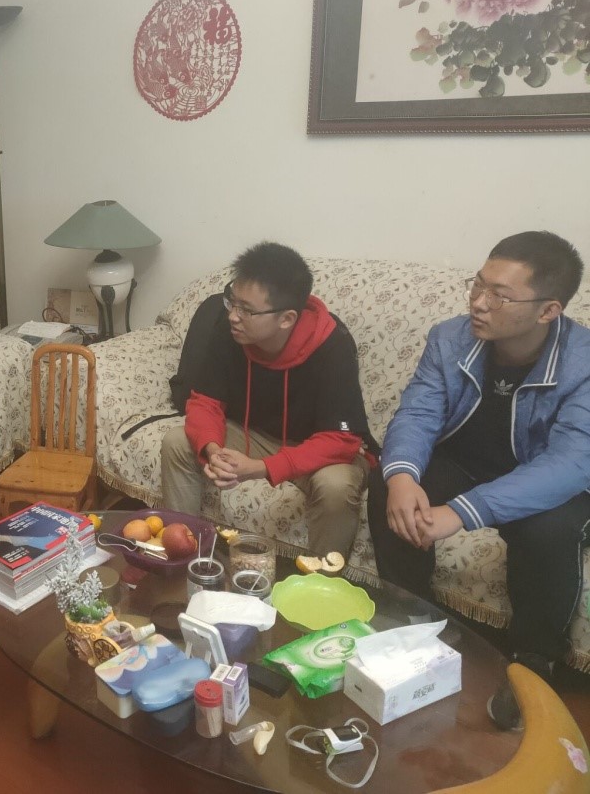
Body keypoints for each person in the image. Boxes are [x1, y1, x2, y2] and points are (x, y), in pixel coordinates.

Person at [367, 230, 590, 731]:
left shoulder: (584, 363)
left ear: (548, 310)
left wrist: (461, 512)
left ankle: (533, 663)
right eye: (478, 285)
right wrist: (401, 474)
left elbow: (571, 463)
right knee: (388, 482)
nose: (479, 303)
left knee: (547, 530)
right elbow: (418, 413)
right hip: (469, 462)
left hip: (550, 480)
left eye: (500, 295)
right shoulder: (450, 338)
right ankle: (411, 618)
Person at [160, 242, 376, 559]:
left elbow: (341, 440)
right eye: (232, 302)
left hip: (318, 451)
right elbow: (205, 401)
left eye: (246, 310)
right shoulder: (231, 330)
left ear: (286, 319)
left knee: (336, 487)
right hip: (255, 437)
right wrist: (213, 449)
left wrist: (262, 468)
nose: (233, 316)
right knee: (177, 442)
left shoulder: (333, 345)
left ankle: (319, 582)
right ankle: (184, 560)